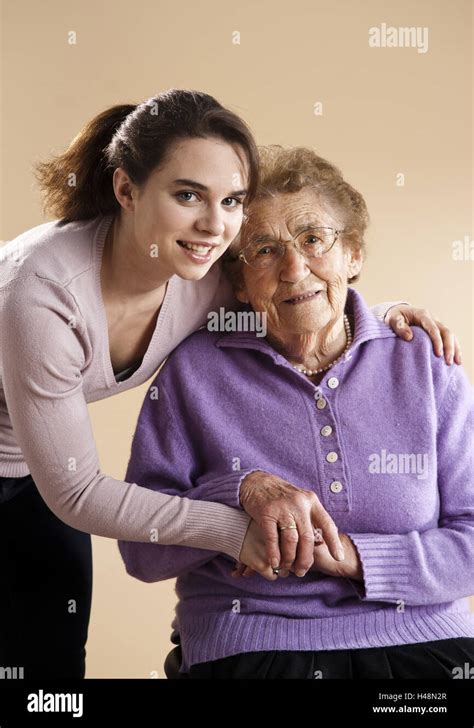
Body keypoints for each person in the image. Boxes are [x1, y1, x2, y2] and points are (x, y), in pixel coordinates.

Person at [0, 91, 459, 679]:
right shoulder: (46, 290)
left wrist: (383, 321)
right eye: (187, 194)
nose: (215, 225)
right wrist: (235, 521)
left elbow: (302, 287)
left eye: (232, 201)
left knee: (48, 674)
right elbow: (82, 496)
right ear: (126, 190)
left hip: (31, 470)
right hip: (60, 482)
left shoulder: (204, 272)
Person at [119, 145, 474, 679]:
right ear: (237, 281)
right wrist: (235, 494)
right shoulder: (192, 373)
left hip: (423, 640)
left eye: (313, 240)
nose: (294, 269)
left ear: (352, 255)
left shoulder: (425, 363)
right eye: (263, 250)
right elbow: (141, 553)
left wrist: (358, 559)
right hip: (254, 641)